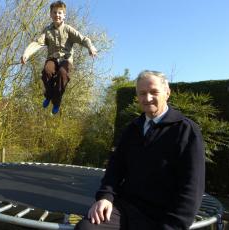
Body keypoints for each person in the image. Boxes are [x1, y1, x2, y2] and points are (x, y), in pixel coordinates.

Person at [75, 70, 205, 230]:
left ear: (167, 93)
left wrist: (172, 226)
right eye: (142, 93)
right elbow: (114, 169)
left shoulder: (186, 131)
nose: (148, 98)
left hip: (163, 216)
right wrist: (106, 197)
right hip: (125, 209)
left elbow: (192, 186)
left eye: (154, 92)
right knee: (86, 228)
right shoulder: (132, 129)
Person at [20, 1, 97, 114]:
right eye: (54, 12)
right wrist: (26, 53)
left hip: (66, 59)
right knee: (47, 71)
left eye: (60, 13)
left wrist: (91, 47)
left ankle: (56, 102)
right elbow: (37, 43)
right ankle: (49, 95)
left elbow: (83, 39)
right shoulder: (47, 30)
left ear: (64, 15)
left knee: (62, 73)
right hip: (53, 58)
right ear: (51, 14)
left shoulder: (68, 29)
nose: (57, 15)